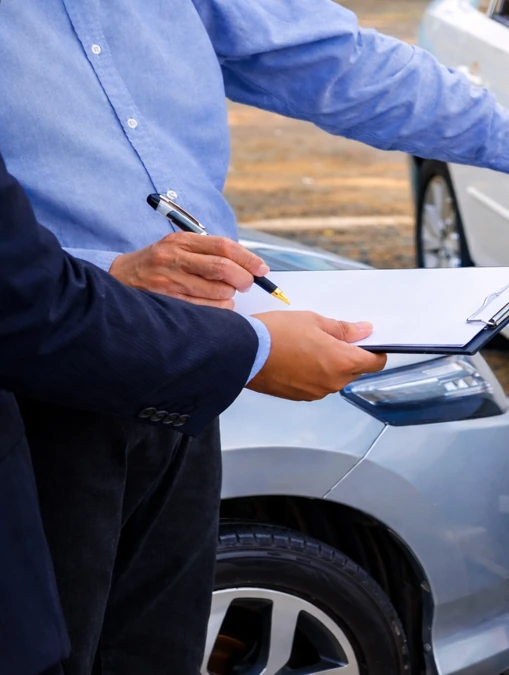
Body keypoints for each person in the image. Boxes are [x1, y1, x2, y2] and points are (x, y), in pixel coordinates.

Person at [1, 1, 509, 672]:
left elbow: (337, 61)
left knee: (157, 650)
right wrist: (109, 274)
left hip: (190, 376)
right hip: (40, 399)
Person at [0, 151, 388, 675]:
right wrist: (255, 351)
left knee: (156, 643)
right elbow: (27, 301)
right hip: (63, 391)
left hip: (172, 372)